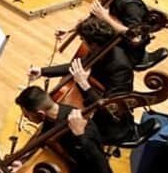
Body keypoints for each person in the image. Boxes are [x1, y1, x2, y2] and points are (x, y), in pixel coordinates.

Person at [28, 16, 156, 144]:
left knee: (66, 136)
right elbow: (77, 66)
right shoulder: (99, 51)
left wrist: (84, 84)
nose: (83, 43)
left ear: (93, 44)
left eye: (83, 40)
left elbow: (111, 110)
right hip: (94, 108)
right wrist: (43, 71)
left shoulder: (120, 67)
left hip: (110, 126)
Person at [86, 0, 168, 68]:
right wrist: (70, 31)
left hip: (129, 53)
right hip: (116, 43)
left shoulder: (130, 5)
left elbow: (135, 39)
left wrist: (105, 18)